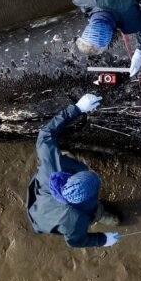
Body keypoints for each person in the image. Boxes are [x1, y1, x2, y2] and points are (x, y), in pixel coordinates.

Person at [27, 94, 126, 247]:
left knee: (61, 156)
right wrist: (103, 240)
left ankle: (66, 154)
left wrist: (77, 109)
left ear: (70, 178)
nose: (94, 173)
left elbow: (45, 135)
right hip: (55, 217)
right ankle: (101, 215)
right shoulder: (75, 220)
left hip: (40, 209)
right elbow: (75, 241)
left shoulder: (51, 170)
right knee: (98, 213)